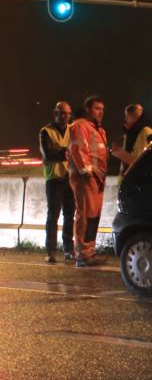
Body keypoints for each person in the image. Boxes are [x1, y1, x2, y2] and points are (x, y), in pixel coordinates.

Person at [66, 95, 108, 267]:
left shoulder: (99, 129)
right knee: (85, 214)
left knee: (93, 216)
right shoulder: (80, 126)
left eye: (102, 109)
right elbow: (77, 148)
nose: (101, 112)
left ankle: (89, 251)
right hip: (86, 177)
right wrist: (85, 170)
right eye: (97, 108)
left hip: (98, 177)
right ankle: (82, 254)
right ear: (88, 109)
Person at [39, 101, 75, 263]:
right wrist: (65, 152)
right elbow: (48, 154)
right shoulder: (45, 131)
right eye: (62, 113)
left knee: (69, 215)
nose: (65, 116)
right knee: (53, 216)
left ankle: (69, 250)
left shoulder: (73, 130)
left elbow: (76, 151)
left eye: (67, 113)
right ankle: (51, 251)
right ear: (55, 113)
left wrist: (58, 149)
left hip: (70, 178)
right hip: (54, 179)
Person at [110, 103, 152, 176]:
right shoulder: (130, 134)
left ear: (134, 116)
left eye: (126, 116)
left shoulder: (146, 132)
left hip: (142, 178)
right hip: (132, 177)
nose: (125, 119)